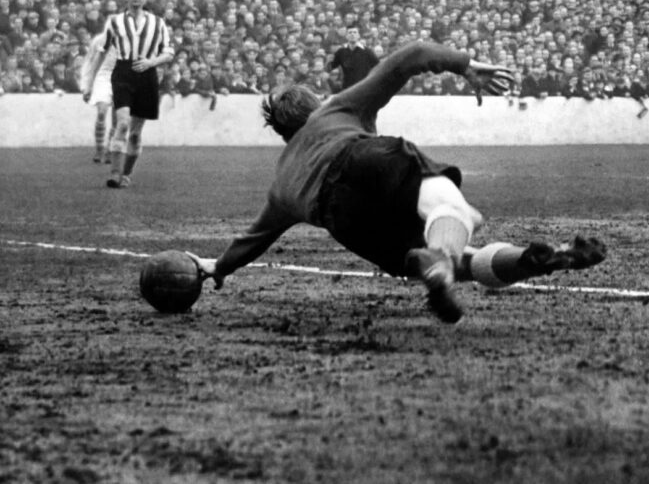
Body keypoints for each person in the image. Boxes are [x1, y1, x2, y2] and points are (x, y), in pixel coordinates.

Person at [189, 41, 606, 324]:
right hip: (359, 157)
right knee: (451, 209)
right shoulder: (337, 110)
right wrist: (464, 65)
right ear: (315, 106)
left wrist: (217, 267)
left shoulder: (282, 182)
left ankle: (523, 262)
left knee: (454, 262)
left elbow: (251, 241)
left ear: (282, 134)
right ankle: (446, 257)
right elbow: (411, 56)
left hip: (341, 219)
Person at [81, 0, 174, 188]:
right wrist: (90, 84)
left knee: (134, 134)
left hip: (147, 75)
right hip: (122, 72)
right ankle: (114, 174)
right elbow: (101, 53)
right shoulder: (114, 22)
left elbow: (169, 52)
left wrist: (151, 61)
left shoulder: (157, 23)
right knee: (122, 123)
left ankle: (126, 174)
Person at [79, 29, 118, 163]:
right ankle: (99, 150)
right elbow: (90, 62)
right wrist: (86, 86)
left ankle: (109, 150)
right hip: (103, 76)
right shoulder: (100, 41)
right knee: (102, 112)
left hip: (120, 77)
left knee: (117, 118)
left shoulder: (131, 41)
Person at [328, 25, 380, 91]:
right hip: (347, 88)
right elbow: (331, 67)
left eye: (355, 32)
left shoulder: (367, 51)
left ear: (358, 35)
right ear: (346, 36)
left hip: (364, 87)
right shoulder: (341, 52)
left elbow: (377, 66)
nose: (352, 34)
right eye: (350, 32)